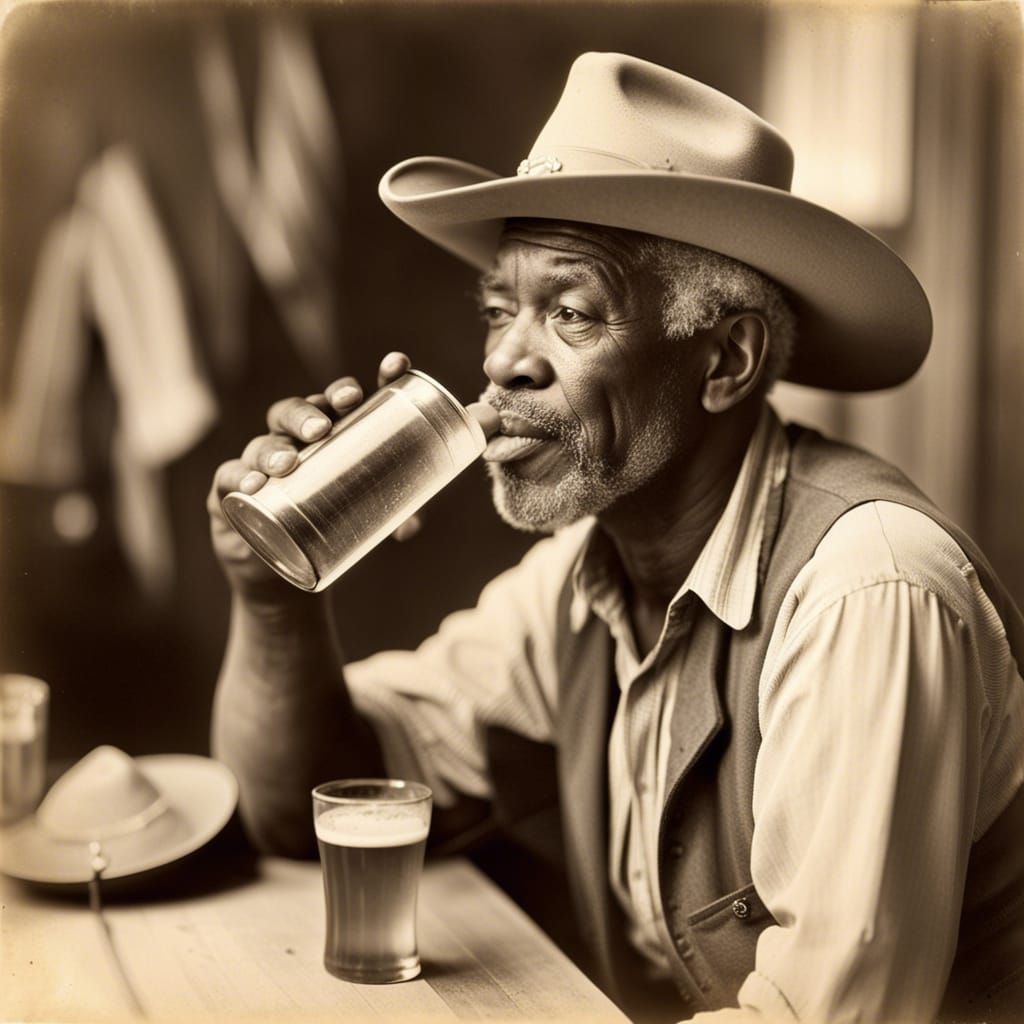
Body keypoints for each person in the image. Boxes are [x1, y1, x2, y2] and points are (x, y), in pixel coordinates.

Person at [207, 53, 1024, 1023]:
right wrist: (272, 598)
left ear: (723, 360)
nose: (505, 360)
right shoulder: (579, 584)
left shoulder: (867, 590)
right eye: (501, 310)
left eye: (570, 312)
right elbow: (308, 804)